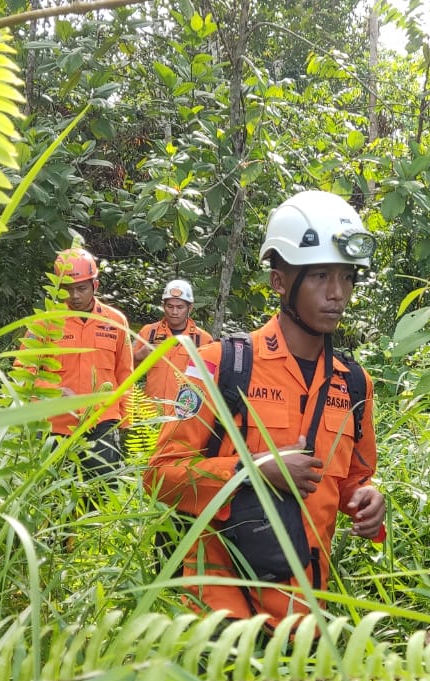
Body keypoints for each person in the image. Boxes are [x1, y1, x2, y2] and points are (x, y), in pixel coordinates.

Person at [144, 190, 386, 628]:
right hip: (218, 623)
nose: (338, 294)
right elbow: (161, 476)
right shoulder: (220, 365)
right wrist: (253, 469)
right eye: (319, 277)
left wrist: (366, 501)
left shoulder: (354, 384)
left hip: (307, 621)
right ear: (279, 281)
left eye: (347, 277)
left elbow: (352, 482)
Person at [19, 246, 133, 480]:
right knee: (51, 499)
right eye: (68, 290)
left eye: (81, 288)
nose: (75, 296)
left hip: (102, 423)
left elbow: (125, 375)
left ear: (95, 286)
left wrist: (125, 422)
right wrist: (53, 392)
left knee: (100, 495)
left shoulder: (116, 321)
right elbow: (23, 370)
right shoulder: (46, 323)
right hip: (55, 425)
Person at [135, 280, 214, 411]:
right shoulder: (148, 332)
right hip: (150, 412)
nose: (174, 312)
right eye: (170, 306)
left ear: (190, 308)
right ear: (163, 306)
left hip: (185, 412)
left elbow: (212, 382)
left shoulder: (203, 339)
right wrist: (139, 356)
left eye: (180, 307)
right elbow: (125, 368)